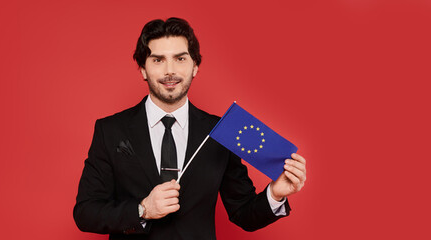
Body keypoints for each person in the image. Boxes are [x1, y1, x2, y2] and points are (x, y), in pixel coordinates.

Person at [73, 17, 307, 239]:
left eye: (180, 58)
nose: (170, 71)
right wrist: (142, 210)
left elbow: (243, 213)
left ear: (195, 66)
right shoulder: (111, 129)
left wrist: (276, 193)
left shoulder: (219, 132)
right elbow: (85, 213)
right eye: (158, 60)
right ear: (143, 69)